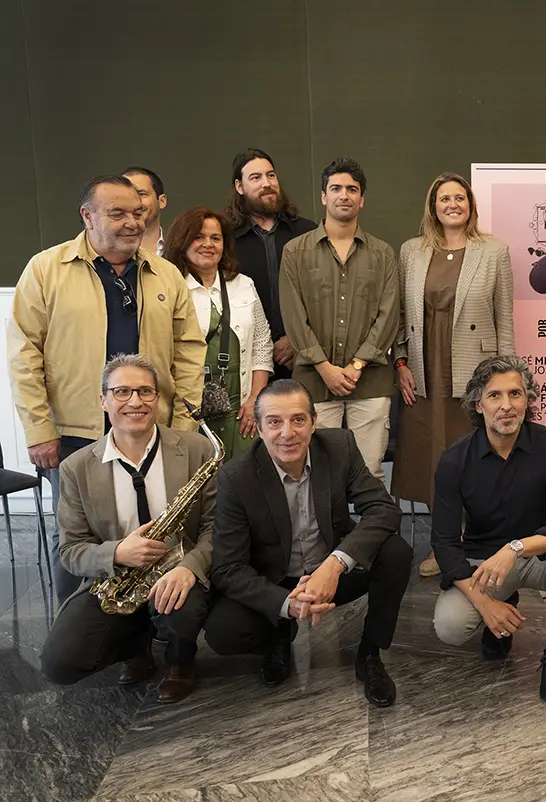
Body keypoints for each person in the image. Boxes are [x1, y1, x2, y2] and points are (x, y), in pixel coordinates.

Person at [8, 175, 205, 606]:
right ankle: (77, 623)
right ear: (88, 216)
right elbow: (25, 354)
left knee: (156, 529)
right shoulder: (46, 270)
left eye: (137, 212)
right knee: (77, 536)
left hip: (150, 428)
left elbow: (190, 351)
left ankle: (150, 632)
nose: (131, 222)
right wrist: (40, 429)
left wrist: (185, 420)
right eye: (117, 213)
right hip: (75, 432)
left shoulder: (165, 274)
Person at [206, 380, 412, 707]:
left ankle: (370, 653)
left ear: (314, 422)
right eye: (274, 422)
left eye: (298, 419)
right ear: (258, 429)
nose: (288, 432)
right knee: (223, 631)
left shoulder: (339, 446)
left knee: (396, 552)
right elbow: (228, 568)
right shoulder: (236, 477)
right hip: (276, 579)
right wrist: (286, 603)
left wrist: (335, 564)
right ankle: (279, 634)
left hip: (331, 572)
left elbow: (383, 509)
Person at [39, 355, 215, 704]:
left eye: (145, 391)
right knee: (59, 663)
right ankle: (136, 646)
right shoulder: (76, 468)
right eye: (121, 392)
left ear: (158, 400)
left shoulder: (197, 448)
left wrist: (189, 569)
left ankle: (180, 661)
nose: (135, 401)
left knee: (185, 608)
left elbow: (218, 526)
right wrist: (118, 552)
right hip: (115, 578)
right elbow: (70, 551)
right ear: (103, 401)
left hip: (176, 571)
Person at [430, 356, 546, 703]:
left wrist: (514, 548)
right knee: (450, 627)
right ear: (478, 403)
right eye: (495, 396)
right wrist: (484, 604)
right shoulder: (454, 460)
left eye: (516, 394)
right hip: (483, 565)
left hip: (537, 556)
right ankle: (498, 614)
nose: (507, 406)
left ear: (528, 399)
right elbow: (443, 543)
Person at [393, 172, 515, 578]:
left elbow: (505, 319)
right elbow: (400, 315)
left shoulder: (494, 252)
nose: (452, 205)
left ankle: (478, 543)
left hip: (473, 374)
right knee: (432, 459)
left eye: (459, 198)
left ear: (470, 204)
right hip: (425, 373)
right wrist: (401, 363)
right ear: (433, 205)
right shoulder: (411, 251)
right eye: (444, 198)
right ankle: (442, 546)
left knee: (474, 456)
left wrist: (507, 384)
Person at [279, 158, 401, 483]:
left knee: (370, 474)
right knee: (316, 473)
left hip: (370, 382)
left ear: (362, 199)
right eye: (336, 188)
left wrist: (356, 365)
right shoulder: (295, 252)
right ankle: (323, 537)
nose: (343, 195)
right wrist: (324, 367)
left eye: (352, 189)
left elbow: (389, 316)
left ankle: (372, 536)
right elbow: (293, 315)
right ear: (323, 196)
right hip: (314, 383)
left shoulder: (383, 254)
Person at [165, 207, 273, 461]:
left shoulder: (243, 284)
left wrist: (256, 399)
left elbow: (261, 343)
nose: (208, 244)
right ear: (182, 241)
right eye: (199, 237)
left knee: (245, 481)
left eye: (216, 238)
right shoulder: (170, 288)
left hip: (241, 407)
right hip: (191, 409)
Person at [226, 148, 319, 379]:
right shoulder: (224, 238)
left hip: (305, 358)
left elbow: (322, 294)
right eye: (255, 178)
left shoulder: (307, 233)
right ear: (240, 187)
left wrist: (294, 339)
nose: (266, 183)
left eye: (270, 175)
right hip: (246, 362)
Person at [122, 167, 168, 256]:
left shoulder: (181, 250)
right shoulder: (105, 251)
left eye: (141, 194)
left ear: (162, 201)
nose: (133, 202)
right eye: (125, 195)